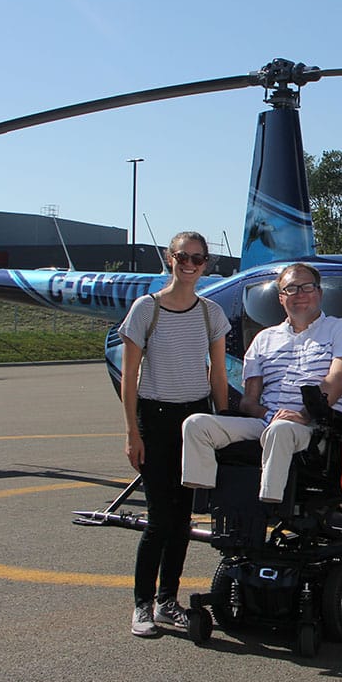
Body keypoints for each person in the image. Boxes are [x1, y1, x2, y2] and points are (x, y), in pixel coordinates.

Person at [117, 232, 230, 638]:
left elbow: (218, 375)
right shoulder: (146, 309)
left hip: (196, 420)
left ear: (205, 264)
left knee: (182, 519)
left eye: (198, 258)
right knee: (160, 519)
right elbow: (130, 376)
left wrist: (225, 424)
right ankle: (142, 605)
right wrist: (133, 431)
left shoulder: (210, 313)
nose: (190, 264)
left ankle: (169, 601)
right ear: (170, 258)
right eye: (183, 256)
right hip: (156, 418)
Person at [181, 263, 342, 509]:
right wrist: (269, 414)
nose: (300, 294)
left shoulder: (341, 329)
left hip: (318, 427)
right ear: (281, 298)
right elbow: (248, 402)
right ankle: (203, 498)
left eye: (307, 287)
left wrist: (303, 414)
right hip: (268, 423)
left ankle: (269, 505)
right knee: (196, 424)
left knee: (281, 430)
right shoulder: (264, 339)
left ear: (319, 293)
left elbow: (338, 379)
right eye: (291, 289)